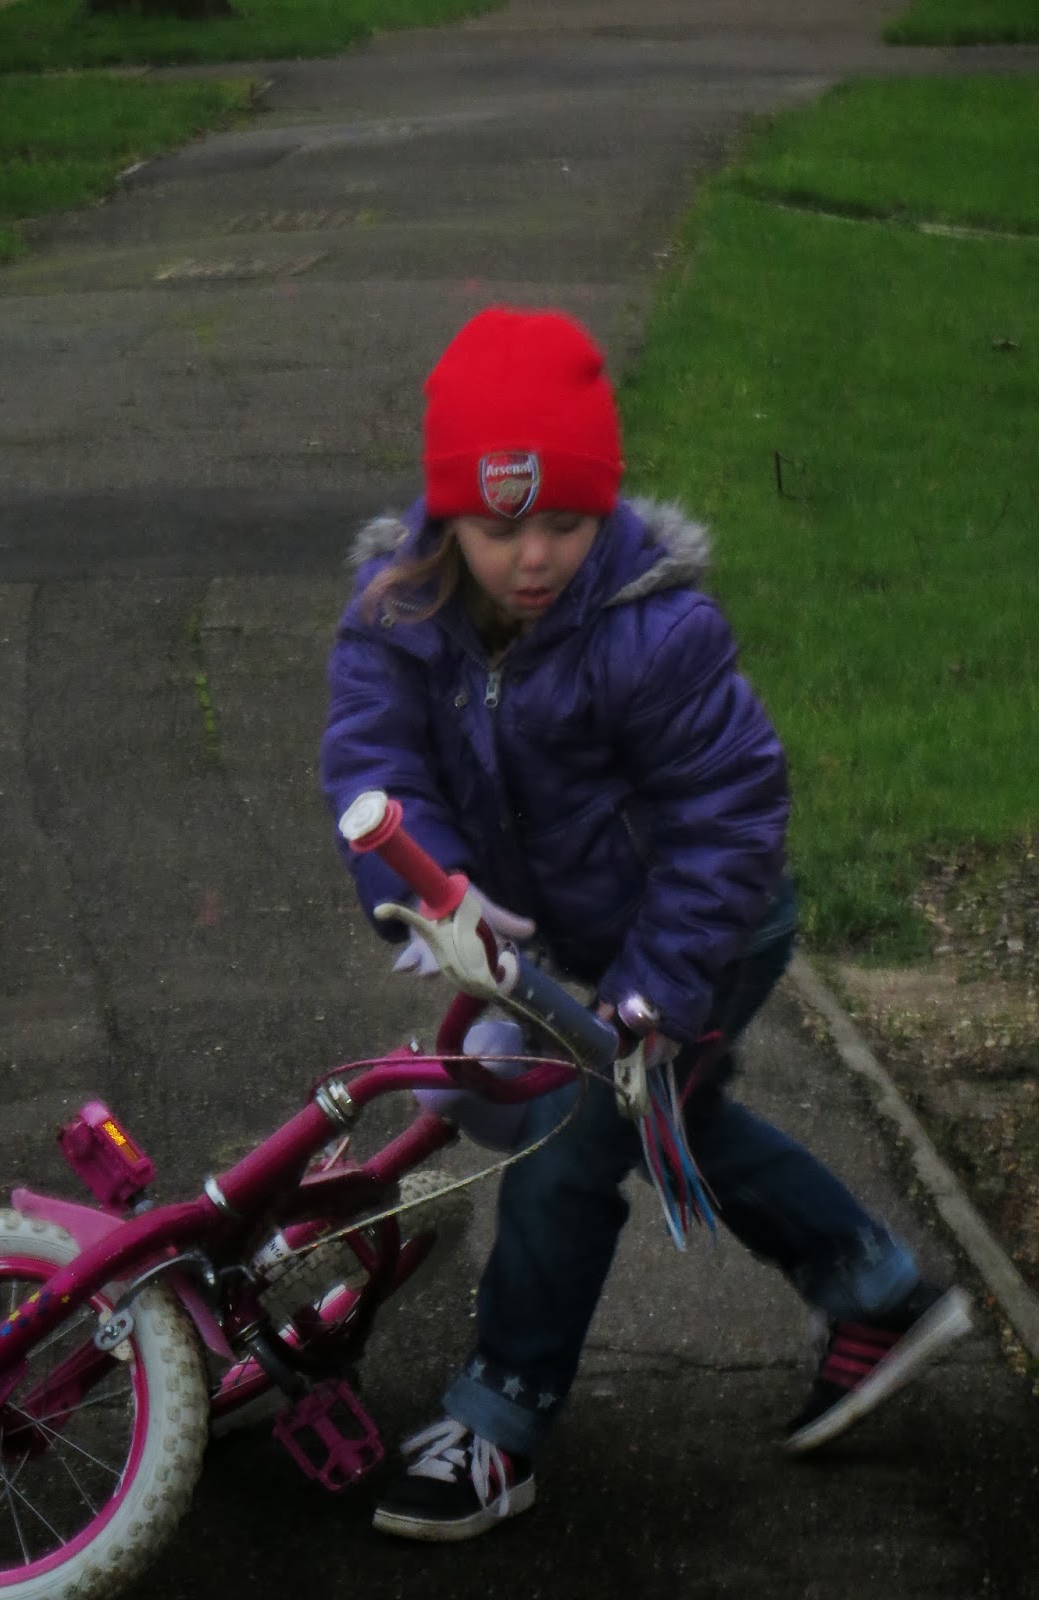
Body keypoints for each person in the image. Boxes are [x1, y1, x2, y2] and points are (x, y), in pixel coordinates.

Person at [319, 305, 972, 1542]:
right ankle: (877, 1291)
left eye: (568, 523)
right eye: (502, 529)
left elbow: (730, 816)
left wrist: (657, 992)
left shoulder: (653, 628)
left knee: (574, 1140)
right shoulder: (399, 615)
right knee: (673, 1114)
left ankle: (500, 1418)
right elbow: (374, 757)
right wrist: (429, 883)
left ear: (604, 507)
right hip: (582, 928)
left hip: (710, 924)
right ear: (446, 517)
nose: (536, 559)